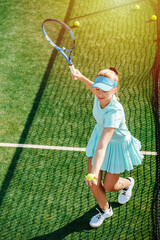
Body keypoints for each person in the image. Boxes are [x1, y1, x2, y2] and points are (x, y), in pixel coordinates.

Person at [71, 67, 143, 228]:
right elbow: (93, 87)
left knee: (110, 186)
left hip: (115, 145)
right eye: (97, 88)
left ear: (114, 89)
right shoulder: (99, 94)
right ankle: (105, 210)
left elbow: (102, 146)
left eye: (104, 90)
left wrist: (94, 172)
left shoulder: (114, 112)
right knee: (94, 182)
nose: (99, 93)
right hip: (100, 136)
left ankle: (128, 182)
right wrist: (81, 76)